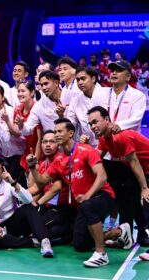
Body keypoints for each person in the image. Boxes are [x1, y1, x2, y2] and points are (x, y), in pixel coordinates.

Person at [28, 118, 130, 268]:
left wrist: (88, 194)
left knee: (88, 205)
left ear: (70, 133)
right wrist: (32, 167)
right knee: (80, 244)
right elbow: (42, 181)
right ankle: (119, 232)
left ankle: (101, 254)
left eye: (59, 131)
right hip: (83, 204)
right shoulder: (59, 160)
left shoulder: (86, 150)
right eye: (55, 131)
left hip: (103, 196)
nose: (56, 135)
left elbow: (102, 176)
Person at [88, 106, 149, 247]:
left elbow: (134, 162)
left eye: (96, 122)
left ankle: (143, 232)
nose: (93, 126)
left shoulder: (122, 136)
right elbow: (96, 159)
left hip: (145, 170)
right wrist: (84, 149)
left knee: (141, 197)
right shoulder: (104, 138)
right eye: (90, 124)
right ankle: (126, 234)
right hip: (135, 171)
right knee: (123, 189)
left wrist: (144, 188)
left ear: (107, 120)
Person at [0, 156, 53, 257]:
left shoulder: (9, 185)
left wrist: (13, 183)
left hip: (13, 222)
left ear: (3, 174)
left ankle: (45, 241)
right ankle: (31, 241)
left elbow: (28, 199)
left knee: (28, 208)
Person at [28, 130, 76, 243]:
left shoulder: (62, 161)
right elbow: (36, 188)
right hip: (48, 207)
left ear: (58, 144)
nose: (47, 145)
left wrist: (38, 204)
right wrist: (15, 193)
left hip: (63, 207)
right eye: (45, 142)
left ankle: (70, 232)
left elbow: (57, 187)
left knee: (39, 230)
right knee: (30, 225)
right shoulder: (43, 164)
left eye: (52, 142)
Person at [0, 85, 26, 186]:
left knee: (17, 185)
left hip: (17, 154)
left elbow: (7, 137)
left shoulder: (10, 112)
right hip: (4, 154)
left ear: (3, 97)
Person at [17, 70, 70, 135]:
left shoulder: (72, 97)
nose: (44, 88)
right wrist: (21, 125)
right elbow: (27, 130)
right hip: (51, 143)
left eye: (46, 84)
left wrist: (62, 116)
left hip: (74, 143)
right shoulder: (39, 105)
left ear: (56, 83)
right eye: (41, 85)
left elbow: (76, 126)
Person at [67, 67, 107, 147]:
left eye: (83, 79)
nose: (80, 82)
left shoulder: (107, 93)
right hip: (89, 146)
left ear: (93, 79)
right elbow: (70, 125)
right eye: (78, 80)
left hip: (109, 144)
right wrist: (79, 138)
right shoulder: (75, 101)